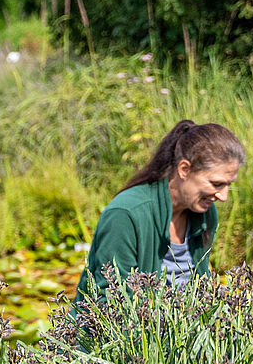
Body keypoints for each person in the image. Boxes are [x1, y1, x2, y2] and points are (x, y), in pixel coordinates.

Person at [75, 120, 244, 303]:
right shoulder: (126, 214)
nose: (223, 196)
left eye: (229, 185)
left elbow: (201, 289)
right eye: (217, 184)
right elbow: (110, 300)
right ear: (184, 169)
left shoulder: (204, 212)